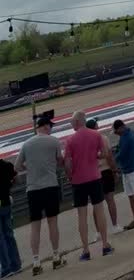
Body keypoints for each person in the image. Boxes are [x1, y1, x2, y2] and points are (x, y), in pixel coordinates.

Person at [14, 112, 65, 276]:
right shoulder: (54, 141)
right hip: (50, 185)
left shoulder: (27, 144)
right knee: (52, 222)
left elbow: (17, 166)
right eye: (50, 126)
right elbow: (60, 161)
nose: (51, 129)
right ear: (45, 126)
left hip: (33, 188)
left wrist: (30, 169)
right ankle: (56, 256)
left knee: (35, 226)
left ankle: (36, 261)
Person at [63, 112, 112, 261]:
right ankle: (105, 245)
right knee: (99, 211)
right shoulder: (96, 135)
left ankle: (85, 250)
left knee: (82, 216)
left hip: (78, 180)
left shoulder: (70, 140)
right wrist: (94, 157)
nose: (71, 125)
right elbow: (104, 153)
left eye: (72, 122)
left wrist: (70, 175)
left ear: (77, 122)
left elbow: (67, 163)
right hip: (94, 177)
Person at [86, 121, 120, 236]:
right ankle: (114, 225)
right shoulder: (103, 138)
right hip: (105, 171)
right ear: (96, 127)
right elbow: (109, 156)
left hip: (93, 174)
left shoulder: (86, 141)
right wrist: (115, 170)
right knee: (110, 199)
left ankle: (98, 232)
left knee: (96, 204)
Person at [111, 121, 134, 228]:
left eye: (116, 131)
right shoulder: (132, 133)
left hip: (129, 169)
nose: (116, 133)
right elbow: (122, 149)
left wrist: (112, 161)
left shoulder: (125, 138)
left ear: (121, 128)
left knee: (131, 194)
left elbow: (121, 154)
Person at [0, 154, 22, 277]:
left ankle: (6, 268)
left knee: (0, 237)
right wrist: (8, 186)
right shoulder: (6, 165)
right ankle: (16, 264)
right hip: (6, 202)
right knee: (9, 234)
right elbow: (17, 179)